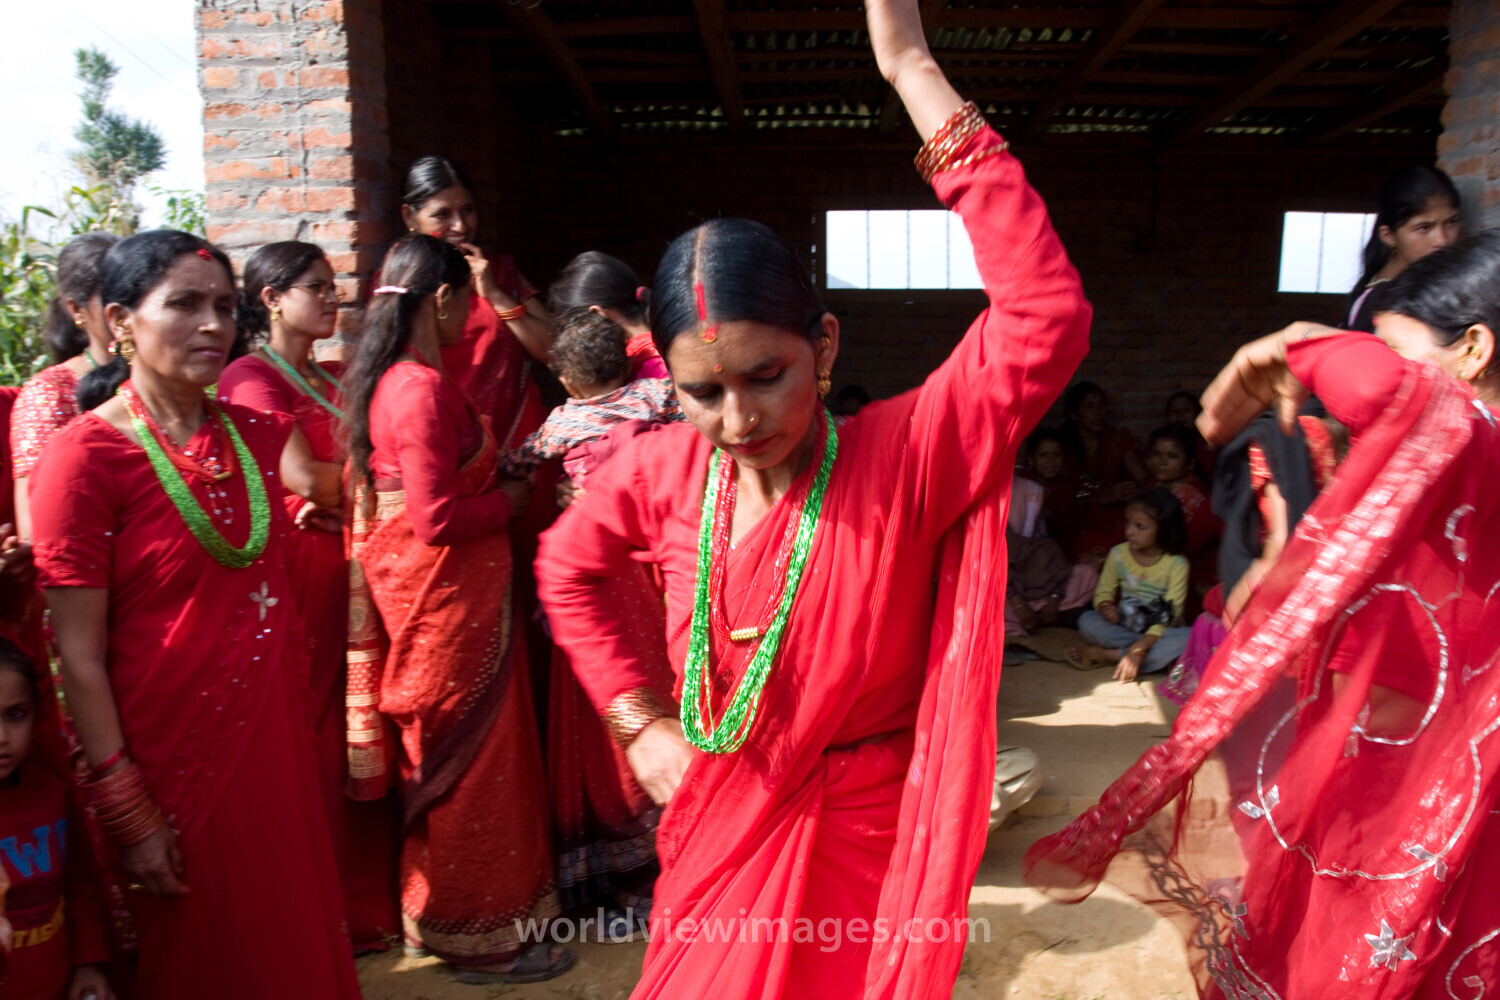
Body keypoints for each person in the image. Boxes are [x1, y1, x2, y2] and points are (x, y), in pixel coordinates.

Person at [534, 0, 1091, 993]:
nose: (738, 417)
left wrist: (912, 67)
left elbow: (1044, 315)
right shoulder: (660, 469)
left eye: (767, 375)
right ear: (668, 376)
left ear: (824, 347)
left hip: (863, 840)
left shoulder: (908, 453)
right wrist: (638, 719)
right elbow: (564, 566)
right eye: (704, 391)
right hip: (717, 818)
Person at [1026, 230, 1500, 998]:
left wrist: (1292, 342)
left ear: (1474, 350)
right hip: (1411, 756)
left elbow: (1377, 386)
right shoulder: (1443, 471)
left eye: (1410, 358)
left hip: (1431, 777)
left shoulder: (1471, 437)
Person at [29, 230, 357, 997]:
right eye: (182, 304)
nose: (212, 324)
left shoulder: (255, 434)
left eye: (221, 306)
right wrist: (125, 804)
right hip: (171, 768)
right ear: (118, 322)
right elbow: (75, 653)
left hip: (277, 743)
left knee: (290, 940)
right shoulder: (84, 458)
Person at [341, 234, 571, 983]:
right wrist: (506, 500)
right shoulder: (418, 388)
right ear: (440, 301)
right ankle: (488, 941)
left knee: (453, 764)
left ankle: (436, 920)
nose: (469, 314)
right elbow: (436, 519)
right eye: (465, 301)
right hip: (448, 611)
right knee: (476, 767)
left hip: (439, 601)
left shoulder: (394, 383)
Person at [216, 240, 400, 951]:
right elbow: (304, 478)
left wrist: (351, 482)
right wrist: (369, 484)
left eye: (334, 287)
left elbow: (346, 473)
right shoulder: (248, 375)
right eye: (317, 288)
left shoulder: (330, 372)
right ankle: (329, 909)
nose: (333, 299)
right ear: (271, 299)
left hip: (350, 558)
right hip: (303, 573)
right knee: (321, 730)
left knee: (361, 727)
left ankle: (365, 904)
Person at [0, 639, 113, 1000]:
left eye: (15, 715)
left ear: (37, 716)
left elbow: (80, 886)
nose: (1, 738)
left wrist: (87, 963)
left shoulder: (53, 795)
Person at [11, 233, 119, 540]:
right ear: (76, 310)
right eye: (113, 297)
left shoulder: (164, 381)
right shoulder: (51, 393)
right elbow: (39, 531)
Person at [503, 310, 681, 489]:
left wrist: (500, 463)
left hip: (600, 502)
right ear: (627, 367)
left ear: (567, 384)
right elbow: (685, 420)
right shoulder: (654, 391)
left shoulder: (563, 423)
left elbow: (524, 459)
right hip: (659, 484)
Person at [1068, 487, 1191, 683]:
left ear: (1164, 529)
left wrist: (1138, 650)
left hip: (1161, 630)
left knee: (1188, 637)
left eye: (1140, 527)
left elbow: (1165, 619)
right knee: (1087, 621)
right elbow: (1103, 592)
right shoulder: (1118, 554)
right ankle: (1150, 657)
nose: (1129, 532)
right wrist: (1105, 606)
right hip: (1126, 625)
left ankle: (1109, 655)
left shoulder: (1177, 565)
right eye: (1128, 523)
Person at [1347, 164, 1461, 333]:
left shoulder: (1425, 289)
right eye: (1423, 228)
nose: (1442, 240)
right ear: (1389, 235)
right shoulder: (1381, 308)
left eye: (1451, 222)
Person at [1059, 380, 1146, 559]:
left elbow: (1145, 479)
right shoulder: (1063, 447)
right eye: (1089, 406)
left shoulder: (1118, 440)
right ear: (1074, 414)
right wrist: (1101, 497)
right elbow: (1061, 495)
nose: (1098, 412)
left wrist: (1127, 493)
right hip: (1075, 521)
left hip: (1113, 520)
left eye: (1101, 405)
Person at [548, 251, 668, 380]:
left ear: (597, 314)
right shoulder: (668, 346)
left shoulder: (645, 367)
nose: (575, 342)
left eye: (575, 330)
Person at [1143, 423, 1219, 611]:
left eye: (1172, 456)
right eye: (1157, 454)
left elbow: (1179, 548)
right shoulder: (1156, 484)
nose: (1161, 461)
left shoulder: (1190, 495)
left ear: (1191, 462)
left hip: (1190, 571)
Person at [1164, 389, 1216, 480]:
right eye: (1174, 411)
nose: (1180, 415)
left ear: (1196, 414)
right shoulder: (1159, 443)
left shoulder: (1209, 446)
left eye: (1186, 410)